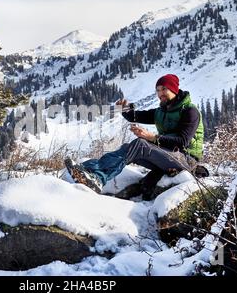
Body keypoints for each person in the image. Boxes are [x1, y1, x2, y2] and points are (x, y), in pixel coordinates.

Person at [64, 74, 204, 200]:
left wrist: (152, 137)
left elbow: (182, 142)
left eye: (164, 89)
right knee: (129, 148)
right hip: (169, 157)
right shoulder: (161, 111)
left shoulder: (190, 111)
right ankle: (87, 170)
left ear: (174, 89)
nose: (160, 93)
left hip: (186, 159)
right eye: (158, 90)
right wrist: (124, 109)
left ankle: (99, 179)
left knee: (140, 144)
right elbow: (135, 116)